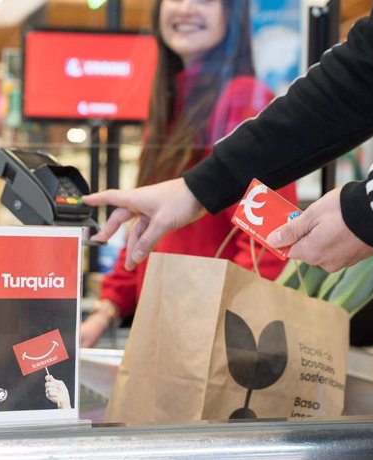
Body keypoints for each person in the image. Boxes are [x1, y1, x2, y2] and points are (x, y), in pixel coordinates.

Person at [83, 0, 373, 457]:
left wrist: (369, 209)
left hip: (213, 329)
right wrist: (195, 190)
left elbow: (258, 239)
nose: (184, 8)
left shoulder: (240, 95)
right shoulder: (168, 105)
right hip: (180, 322)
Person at [80, 0, 297, 347]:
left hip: (209, 340)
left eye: (205, 0)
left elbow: (268, 241)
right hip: (165, 331)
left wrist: (219, 331)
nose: (185, 8)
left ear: (232, 15)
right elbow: (146, 227)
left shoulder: (245, 101)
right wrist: (106, 309)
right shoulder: (171, 105)